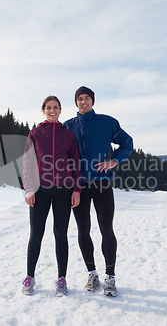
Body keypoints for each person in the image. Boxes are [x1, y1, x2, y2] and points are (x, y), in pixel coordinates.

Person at [63, 86, 133, 297]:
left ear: (92, 101)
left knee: (106, 228)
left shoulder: (107, 122)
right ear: (76, 102)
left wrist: (113, 161)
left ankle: (110, 277)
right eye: (80, 99)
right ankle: (92, 274)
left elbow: (127, 143)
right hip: (79, 187)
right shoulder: (68, 127)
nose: (83, 102)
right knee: (83, 230)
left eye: (87, 99)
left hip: (102, 183)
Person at [21, 95, 81, 297]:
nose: (52, 110)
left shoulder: (68, 135)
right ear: (43, 110)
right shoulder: (35, 133)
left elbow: (75, 164)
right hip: (40, 190)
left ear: (61, 110)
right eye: (49, 107)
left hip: (64, 190)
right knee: (36, 234)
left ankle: (62, 278)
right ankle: (30, 276)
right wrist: (28, 188)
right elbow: (28, 163)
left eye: (56, 107)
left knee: (61, 234)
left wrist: (76, 190)